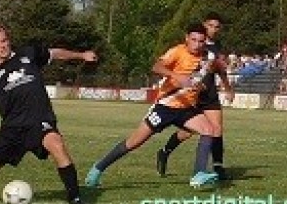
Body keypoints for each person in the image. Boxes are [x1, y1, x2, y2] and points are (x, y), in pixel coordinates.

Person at [0, 24, 97, 204]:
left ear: (9, 40)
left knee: (56, 144)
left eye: (4, 40)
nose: (2, 45)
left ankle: (75, 199)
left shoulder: (28, 54)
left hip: (39, 122)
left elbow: (55, 53)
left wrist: (81, 55)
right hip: (12, 130)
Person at [85, 23, 219, 188]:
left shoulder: (207, 57)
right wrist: (175, 75)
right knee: (134, 142)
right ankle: (97, 169)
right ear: (186, 39)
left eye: (200, 41)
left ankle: (198, 174)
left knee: (209, 130)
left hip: (186, 109)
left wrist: (202, 85)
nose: (197, 44)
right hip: (165, 107)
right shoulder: (177, 52)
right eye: (193, 40)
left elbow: (206, 73)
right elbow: (156, 66)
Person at [156, 12, 235, 179]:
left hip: (210, 93)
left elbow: (220, 69)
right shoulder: (193, 44)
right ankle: (164, 151)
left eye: (217, 27)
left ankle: (217, 166)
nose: (213, 30)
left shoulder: (216, 47)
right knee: (187, 132)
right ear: (204, 25)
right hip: (191, 94)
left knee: (216, 129)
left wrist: (228, 88)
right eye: (210, 26)